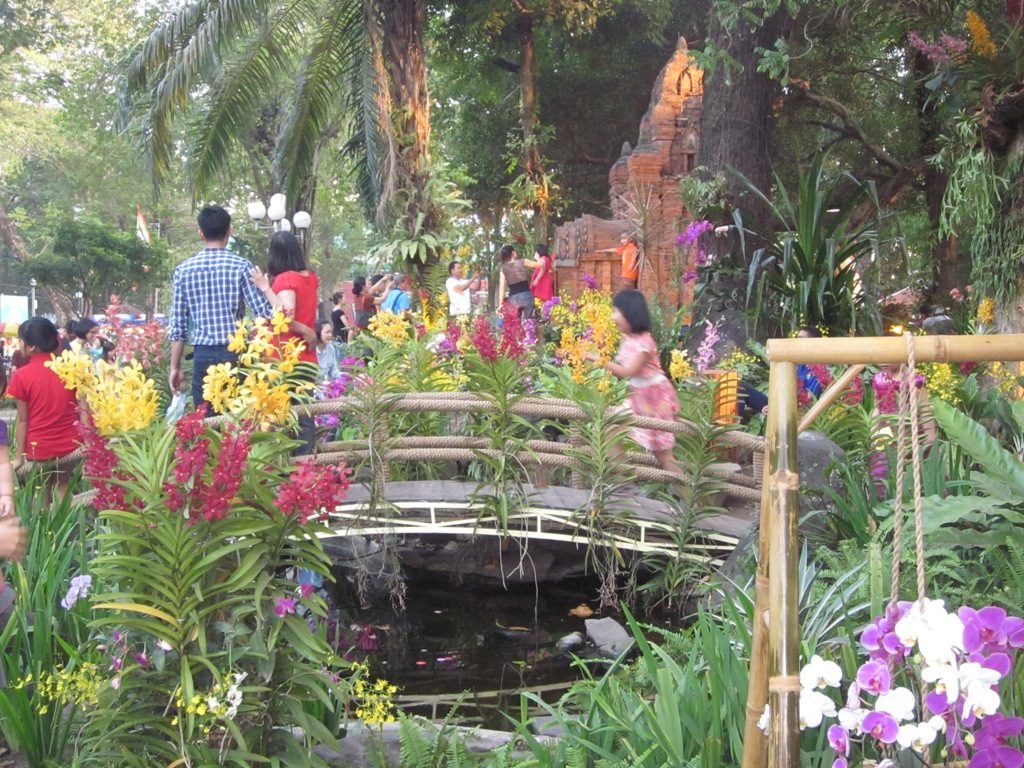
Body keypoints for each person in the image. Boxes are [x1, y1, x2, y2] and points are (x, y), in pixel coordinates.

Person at [168, 205, 273, 412]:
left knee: (206, 418)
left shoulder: (183, 271)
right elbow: (263, 312)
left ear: (201, 233)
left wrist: (174, 367)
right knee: (238, 416)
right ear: (229, 231)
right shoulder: (241, 266)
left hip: (202, 355)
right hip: (235, 353)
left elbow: (178, 325)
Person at [250, 231, 319, 455]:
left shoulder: (286, 279)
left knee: (285, 415)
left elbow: (285, 315)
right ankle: (306, 465)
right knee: (304, 413)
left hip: (288, 357)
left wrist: (264, 287)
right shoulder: (310, 278)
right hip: (306, 356)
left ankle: (292, 465)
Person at [602, 290, 680, 473]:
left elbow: (628, 372)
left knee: (663, 455)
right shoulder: (628, 339)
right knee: (611, 429)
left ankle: (687, 492)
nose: (612, 317)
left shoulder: (644, 343)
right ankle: (622, 480)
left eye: (616, 312)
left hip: (654, 400)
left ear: (630, 313)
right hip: (638, 397)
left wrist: (600, 360)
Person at [8, 317, 80, 500]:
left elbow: (23, 420)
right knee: (63, 484)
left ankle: (46, 520)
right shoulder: (70, 370)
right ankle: (69, 518)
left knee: (42, 492)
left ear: (31, 346)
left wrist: (19, 457)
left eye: (21, 340)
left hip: (39, 447)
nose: (19, 344)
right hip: (70, 443)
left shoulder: (21, 376)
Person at [496, 244, 541, 318]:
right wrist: (538, 258)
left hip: (513, 298)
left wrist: (500, 303)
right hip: (526, 295)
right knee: (529, 321)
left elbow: (502, 287)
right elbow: (540, 265)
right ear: (513, 253)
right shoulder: (523, 261)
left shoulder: (503, 269)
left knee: (515, 322)